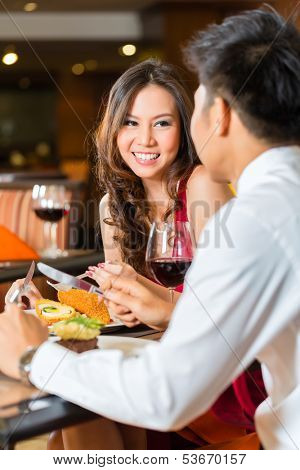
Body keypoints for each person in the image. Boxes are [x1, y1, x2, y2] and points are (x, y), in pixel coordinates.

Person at [1, 7, 300, 450]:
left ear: (216, 114)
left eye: (168, 120)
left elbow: (171, 389)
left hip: (231, 393)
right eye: (131, 123)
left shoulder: (242, 212)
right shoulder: (281, 196)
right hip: (187, 362)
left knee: (78, 401)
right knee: (70, 425)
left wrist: (32, 356)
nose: (146, 139)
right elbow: (152, 309)